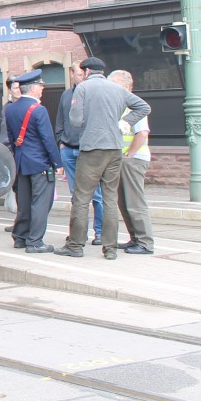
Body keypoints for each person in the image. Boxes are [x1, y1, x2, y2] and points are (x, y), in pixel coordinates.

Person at [54, 57, 150, 260]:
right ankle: (110, 248)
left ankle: (75, 245)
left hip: (92, 149)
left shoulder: (83, 88)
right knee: (110, 199)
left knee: (81, 198)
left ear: (87, 72)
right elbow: (143, 107)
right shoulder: (117, 89)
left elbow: (76, 120)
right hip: (114, 149)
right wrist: (125, 121)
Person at [3, 70, 62, 252]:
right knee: (41, 204)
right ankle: (35, 241)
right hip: (40, 163)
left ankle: (20, 237)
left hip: (21, 163)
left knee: (24, 203)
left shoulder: (10, 109)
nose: (42, 88)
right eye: (40, 85)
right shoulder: (39, 110)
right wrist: (57, 163)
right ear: (33, 88)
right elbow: (48, 140)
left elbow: (12, 138)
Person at [55, 61, 104, 246]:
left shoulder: (93, 93)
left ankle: (100, 232)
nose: (82, 77)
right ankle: (78, 234)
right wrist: (61, 143)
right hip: (68, 148)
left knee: (96, 194)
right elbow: (60, 120)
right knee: (76, 196)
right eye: (79, 74)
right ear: (72, 75)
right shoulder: (66, 95)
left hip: (88, 150)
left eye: (84, 74)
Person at [109, 70, 156, 255]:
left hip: (133, 160)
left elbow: (142, 133)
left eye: (115, 85)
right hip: (124, 159)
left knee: (135, 202)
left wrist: (130, 154)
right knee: (124, 201)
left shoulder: (134, 106)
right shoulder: (120, 106)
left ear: (127, 87)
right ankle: (135, 238)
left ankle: (145, 242)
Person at [0, 76, 21, 229]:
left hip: (23, 150)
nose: (18, 90)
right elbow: (4, 131)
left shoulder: (25, 104)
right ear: (10, 90)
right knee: (17, 186)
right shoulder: (7, 107)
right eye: (15, 88)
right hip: (12, 150)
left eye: (19, 87)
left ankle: (23, 221)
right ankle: (20, 221)